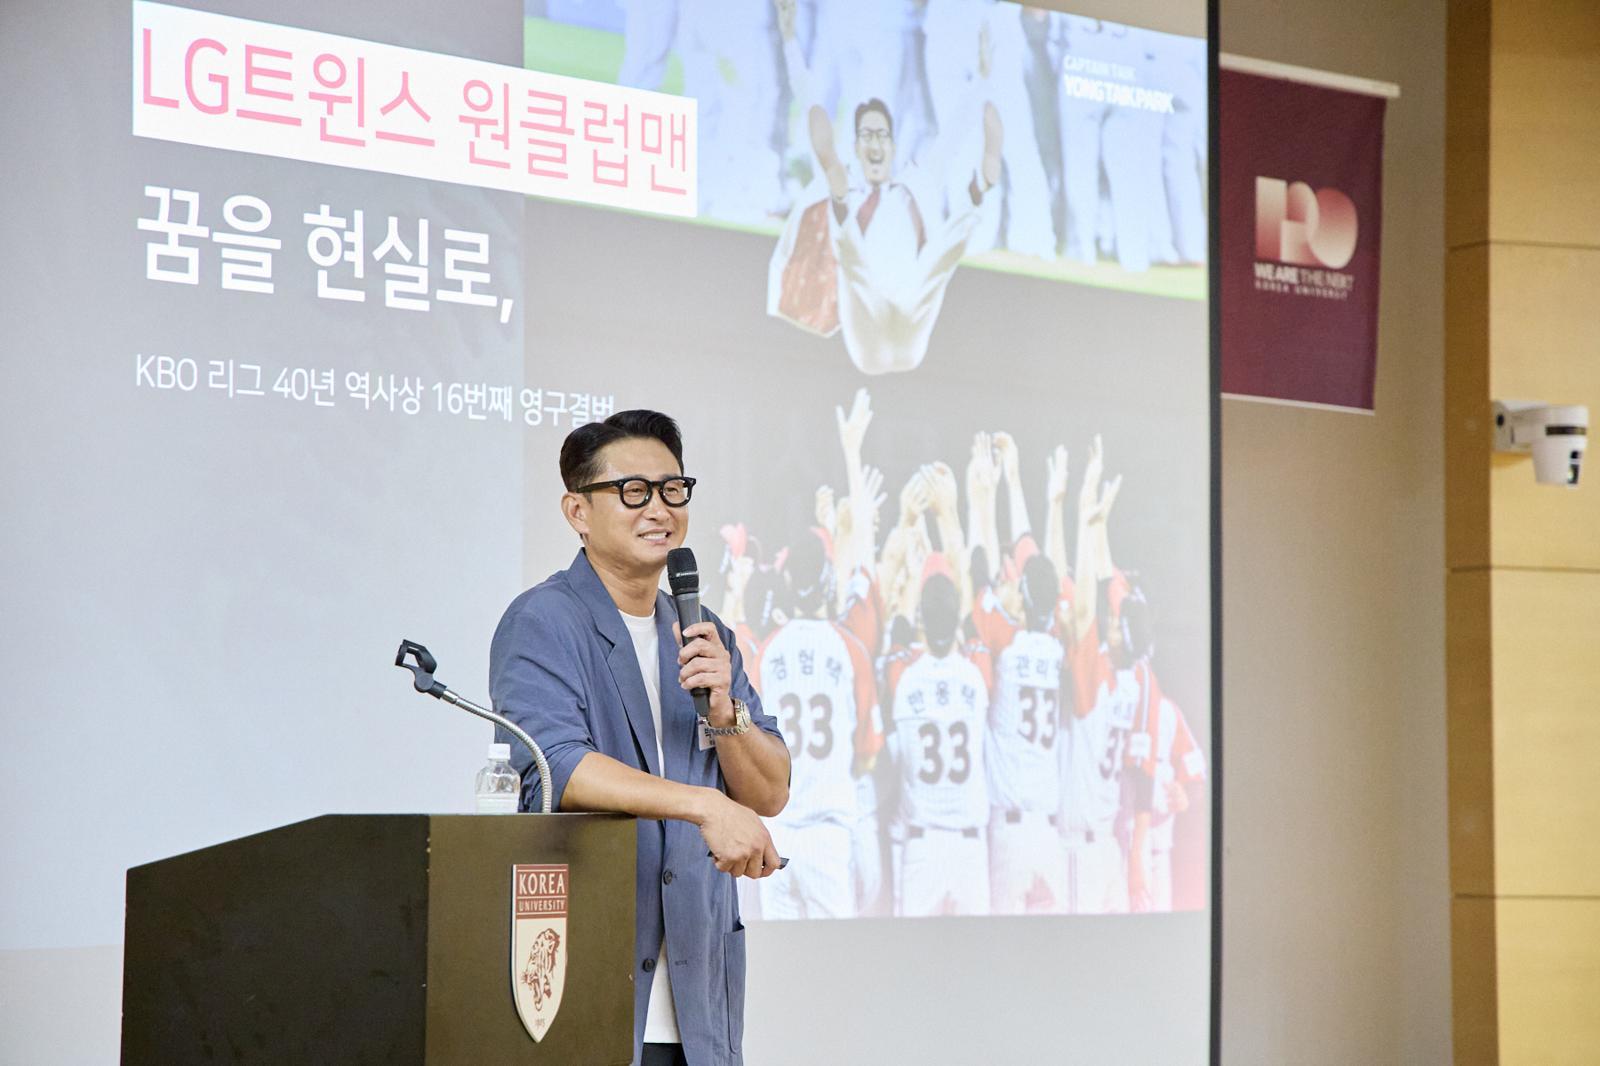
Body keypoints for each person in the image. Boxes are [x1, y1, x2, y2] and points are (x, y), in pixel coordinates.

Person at [489, 410, 791, 1066]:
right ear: (577, 510)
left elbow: (769, 792)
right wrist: (704, 804)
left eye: (672, 489)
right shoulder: (545, 620)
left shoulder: (704, 631)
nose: (659, 508)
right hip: (591, 985)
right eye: (633, 491)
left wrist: (726, 710)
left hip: (700, 996)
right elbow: (556, 766)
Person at [768, 0, 1004, 375]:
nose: (875, 142)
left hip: (911, 325)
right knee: (849, 246)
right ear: (856, 146)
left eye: (881, 135)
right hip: (867, 332)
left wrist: (983, 81)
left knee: (942, 260)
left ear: (892, 147)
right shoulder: (845, 179)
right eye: (867, 135)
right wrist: (790, 41)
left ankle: (978, 190)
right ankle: (973, 195)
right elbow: (810, 101)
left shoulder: (915, 182)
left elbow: (953, 135)